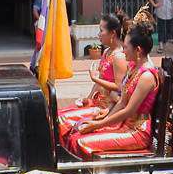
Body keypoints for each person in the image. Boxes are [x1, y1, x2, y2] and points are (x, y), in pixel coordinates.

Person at [66, 19, 159, 159]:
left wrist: (97, 125)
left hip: (137, 131)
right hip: (124, 124)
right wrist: (101, 122)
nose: (124, 50)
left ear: (138, 50)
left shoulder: (147, 76)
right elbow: (122, 102)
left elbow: (128, 110)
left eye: (126, 47)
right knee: (77, 132)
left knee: (80, 141)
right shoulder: (134, 68)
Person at [57, 14, 128, 146]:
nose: (99, 34)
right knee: (60, 114)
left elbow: (119, 87)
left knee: (62, 120)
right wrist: (88, 98)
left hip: (106, 108)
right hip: (96, 102)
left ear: (112, 33)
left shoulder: (119, 57)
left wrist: (95, 78)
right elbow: (99, 81)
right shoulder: (107, 52)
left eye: (101, 30)